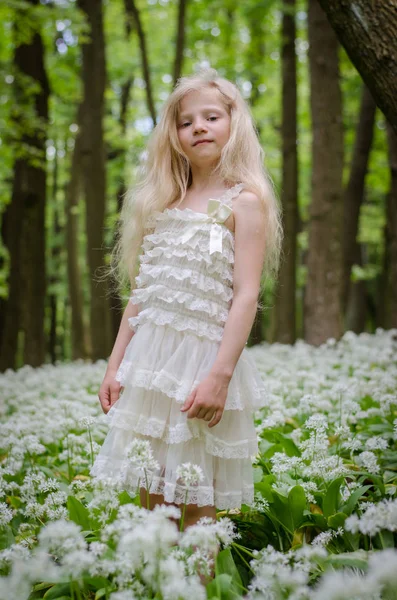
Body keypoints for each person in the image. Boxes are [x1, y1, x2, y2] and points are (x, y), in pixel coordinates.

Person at [90, 68, 282, 532]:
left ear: (233, 125)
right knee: (151, 495)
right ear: (172, 136)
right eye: (185, 121)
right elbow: (142, 295)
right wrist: (115, 365)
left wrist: (220, 376)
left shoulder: (245, 202)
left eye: (211, 117)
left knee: (195, 503)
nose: (198, 127)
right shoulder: (161, 204)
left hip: (202, 366)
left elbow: (246, 295)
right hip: (150, 366)